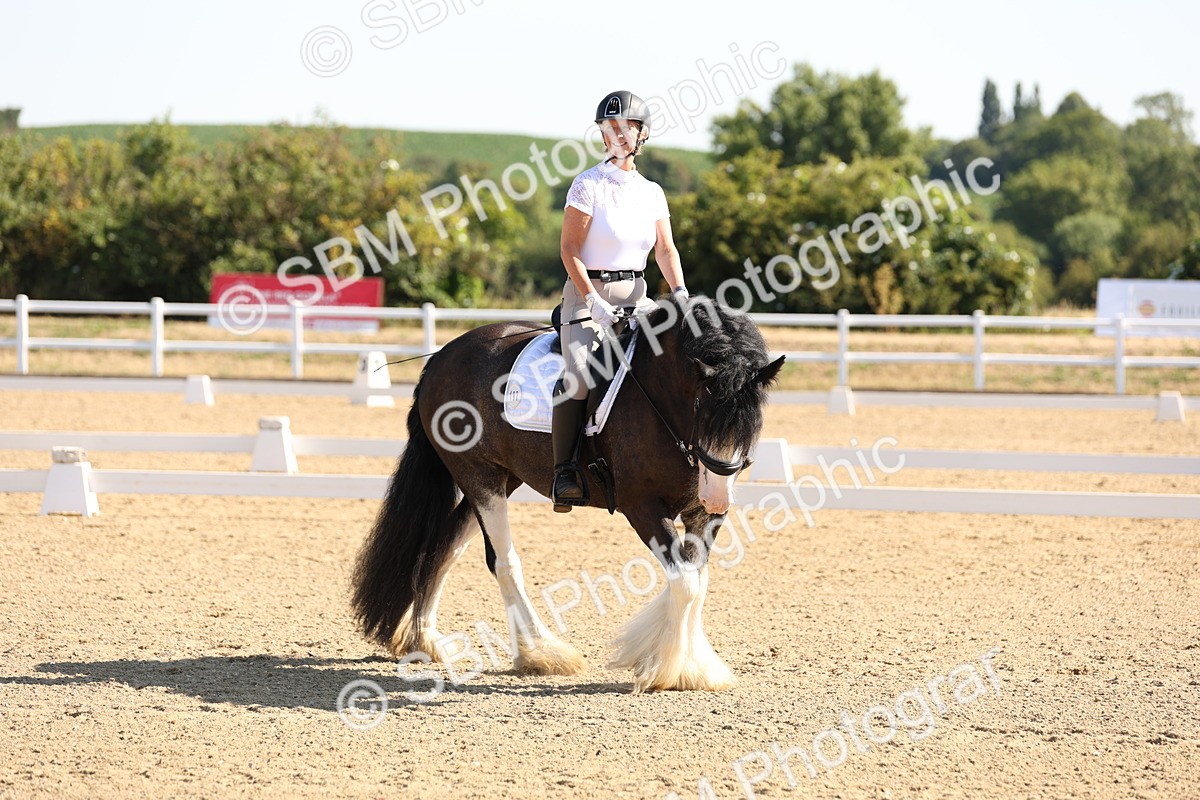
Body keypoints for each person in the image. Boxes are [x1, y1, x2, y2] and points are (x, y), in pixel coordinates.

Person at [551, 90, 690, 511]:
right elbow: (570, 250)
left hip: (639, 294)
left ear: (641, 135)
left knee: (680, 361)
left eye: (623, 128)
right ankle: (565, 471)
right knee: (577, 376)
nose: (615, 135)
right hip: (587, 295)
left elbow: (665, 249)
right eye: (607, 128)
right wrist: (592, 301)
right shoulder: (587, 185)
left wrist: (680, 292)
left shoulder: (651, 192)